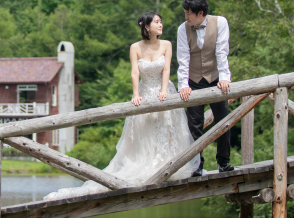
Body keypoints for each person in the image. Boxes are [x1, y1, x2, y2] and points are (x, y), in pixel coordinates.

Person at [44, 11, 199, 201]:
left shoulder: (166, 44)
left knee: (166, 128)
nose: (161, 25)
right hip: (144, 91)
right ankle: (147, 167)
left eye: (161, 22)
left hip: (163, 91)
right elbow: (135, 72)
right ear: (146, 26)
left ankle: (168, 167)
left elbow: (167, 69)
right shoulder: (135, 47)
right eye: (157, 22)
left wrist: (164, 91)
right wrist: (136, 94)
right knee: (145, 130)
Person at [176, 0, 234, 176]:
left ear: (200, 13)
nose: (186, 17)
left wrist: (225, 77)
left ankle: (223, 162)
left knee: (223, 121)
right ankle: (197, 165)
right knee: (194, 125)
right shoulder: (182, 29)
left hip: (216, 78)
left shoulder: (221, 22)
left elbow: (222, 51)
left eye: (188, 13)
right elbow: (183, 59)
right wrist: (183, 85)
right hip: (193, 81)